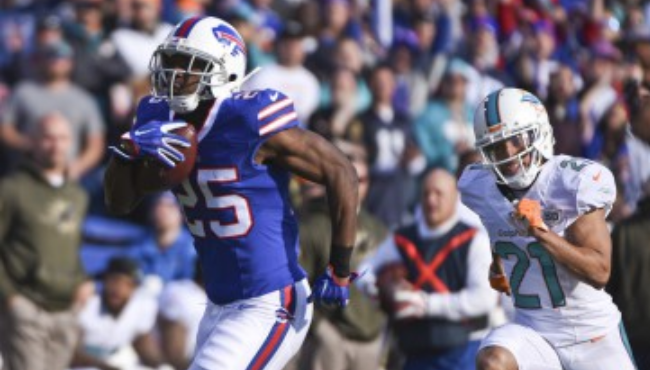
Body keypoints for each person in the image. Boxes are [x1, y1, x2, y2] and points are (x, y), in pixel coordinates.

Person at [103, 16, 359, 370]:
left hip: (270, 301)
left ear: (225, 70)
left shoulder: (247, 118)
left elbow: (340, 170)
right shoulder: (157, 116)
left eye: (189, 66)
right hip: (218, 304)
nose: (174, 76)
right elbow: (118, 201)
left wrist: (340, 266)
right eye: (171, 63)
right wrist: (127, 152)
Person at [458, 88, 636, 370]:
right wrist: (499, 263)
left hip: (591, 335)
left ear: (538, 133)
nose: (508, 155)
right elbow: (498, 225)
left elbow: (599, 271)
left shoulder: (571, 182)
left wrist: (541, 232)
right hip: (534, 330)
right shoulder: (479, 187)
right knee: (493, 361)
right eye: (496, 147)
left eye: (515, 141)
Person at [358, 168, 497, 370]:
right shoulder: (403, 238)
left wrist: (425, 304)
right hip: (415, 353)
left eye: (438, 194)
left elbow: (484, 299)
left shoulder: (474, 240)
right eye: (426, 194)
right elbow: (363, 271)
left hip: (462, 351)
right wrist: (379, 291)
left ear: (454, 197)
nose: (431, 200)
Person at [0, 112, 93, 370]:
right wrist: (9, 297)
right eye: (48, 138)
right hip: (26, 309)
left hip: (66, 311)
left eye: (63, 138)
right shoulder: (12, 188)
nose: (56, 145)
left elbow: (69, 246)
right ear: (32, 141)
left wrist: (83, 280)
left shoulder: (77, 194)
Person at [297, 143, 389, 370]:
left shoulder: (378, 229)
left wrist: (383, 329)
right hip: (331, 341)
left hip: (371, 340)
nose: (356, 186)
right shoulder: (312, 227)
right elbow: (296, 289)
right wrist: (322, 331)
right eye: (350, 178)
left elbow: (389, 282)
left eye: (363, 180)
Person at [71, 257, 170, 370]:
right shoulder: (87, 304)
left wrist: (162, 365)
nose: (118, 289)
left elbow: (142, 343)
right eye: (114, 281)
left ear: (134, 288)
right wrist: (104, 366)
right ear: (105, 281)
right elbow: (70, 353)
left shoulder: (140, 308)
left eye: (127, 284)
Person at [608, 186, 650, 369]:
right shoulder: (623, 231)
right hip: (635, 334)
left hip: (633, 331)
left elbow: (608, 285)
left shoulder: (623, 230)